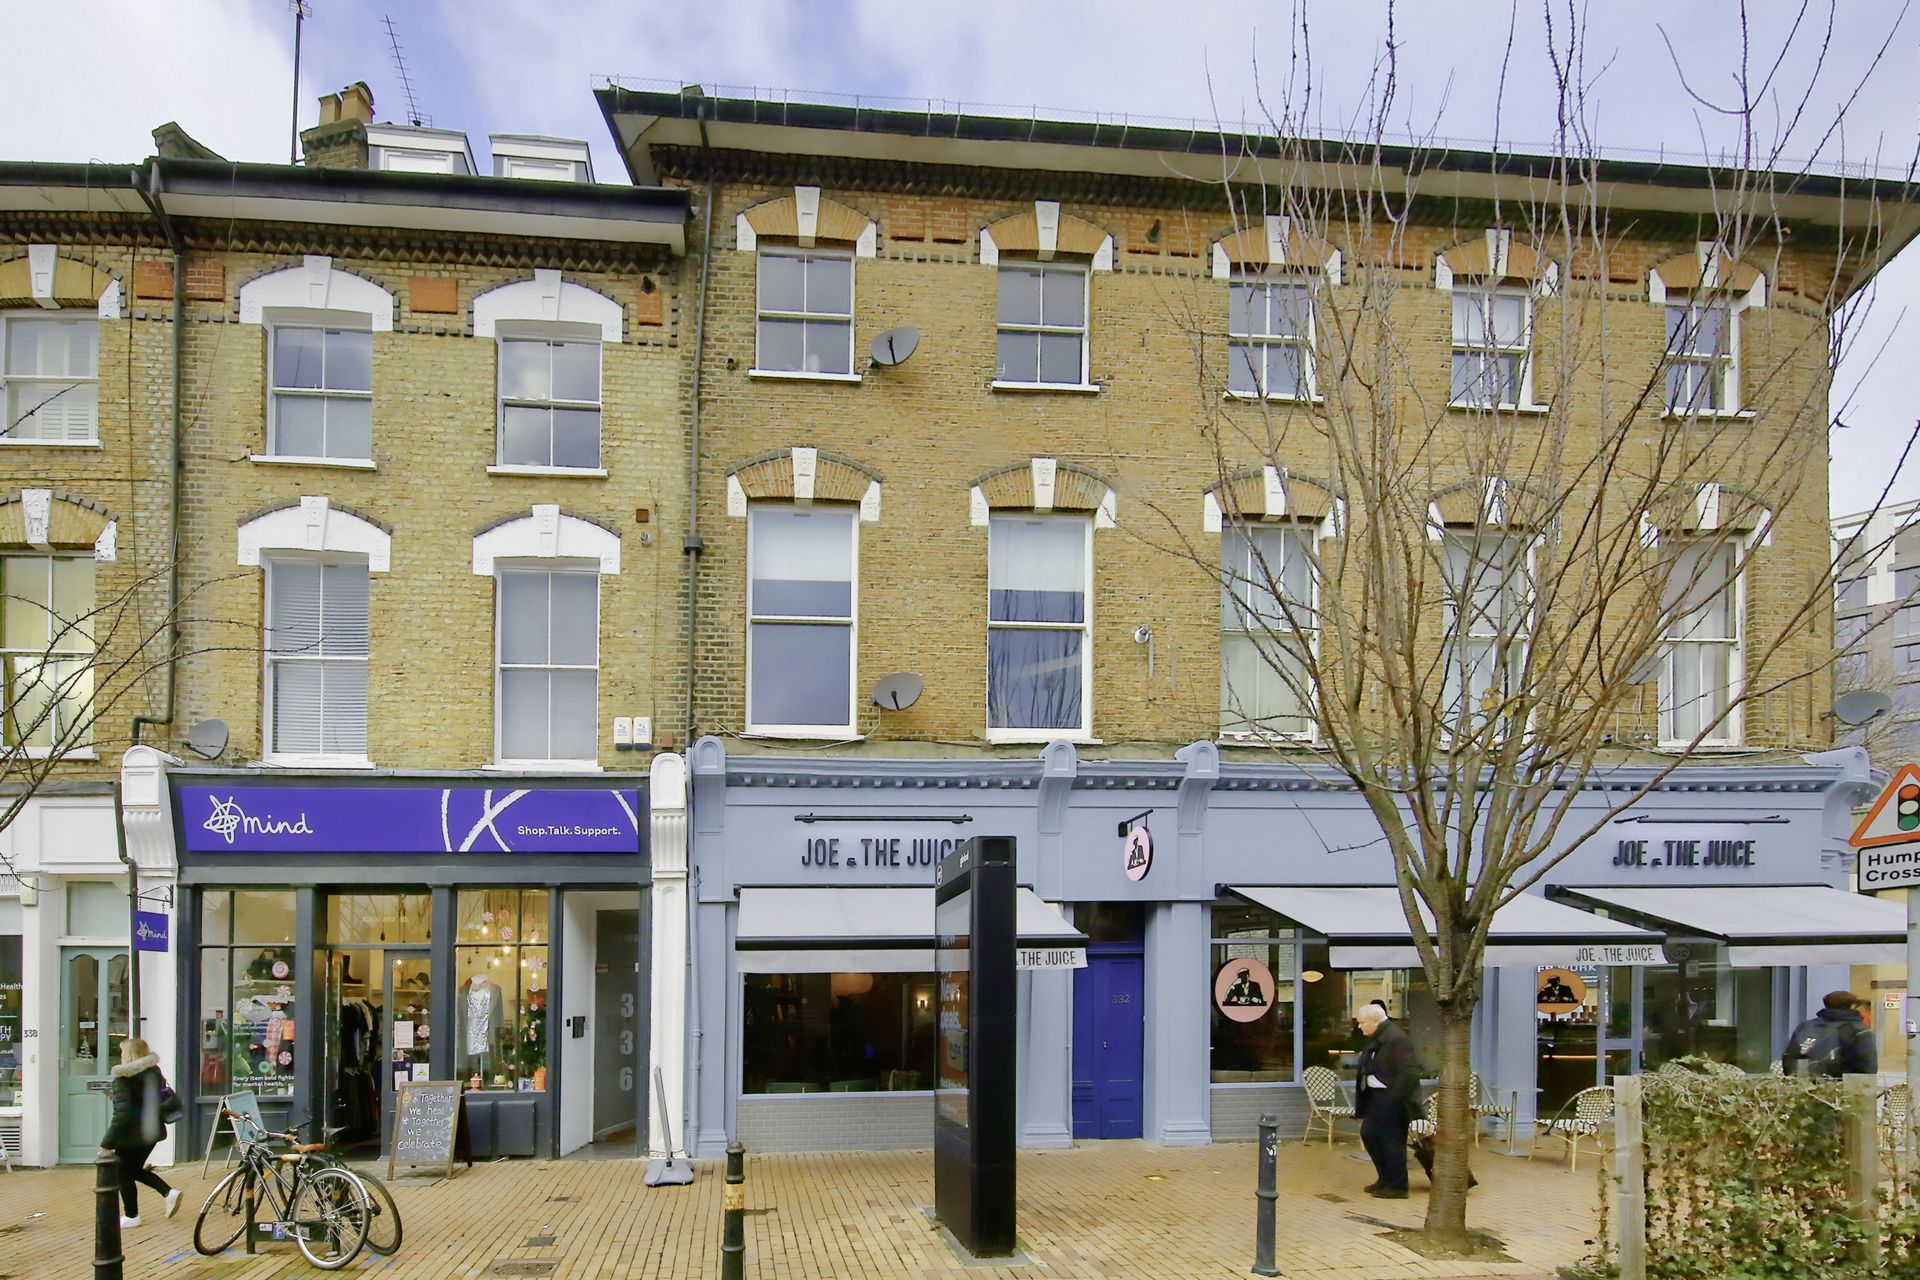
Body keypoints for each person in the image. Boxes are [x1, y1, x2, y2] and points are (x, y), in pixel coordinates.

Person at [99, 1037, 180, 1227]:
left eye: (122, 1052)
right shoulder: (153, 1072)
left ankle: (132, 1216)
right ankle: (168, 1193)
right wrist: (118, 1097)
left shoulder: (123, 1079)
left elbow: (123, 1115)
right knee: (133, 1170)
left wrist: (106, 1144)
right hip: (152, 1131)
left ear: (128, 1054)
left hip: (133, 1134)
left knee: (122, 1171)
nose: (120, 1055)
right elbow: (144, 1100)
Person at [1354, 1004, 1419, 1198]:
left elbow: (1408, 1072)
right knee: (1369, 1134)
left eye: (1362, 1022)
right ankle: (1385, 1179)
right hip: (1376, 1097)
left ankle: (1398, 1186)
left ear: (1375, 1021)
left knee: (1392, 1141)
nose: (1359, 1026)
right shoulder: (1378, 1038)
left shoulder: (1396, 1039)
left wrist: (1394, 1097)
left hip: (1391, 1098)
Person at [1782, 991, 1878, 1078]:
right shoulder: (1859, 1031)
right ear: (1852, 1005)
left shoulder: (1805, 1026)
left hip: (1803, 1086)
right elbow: (1867, 1070)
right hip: (1838, 1088)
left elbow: (1789, 1058)